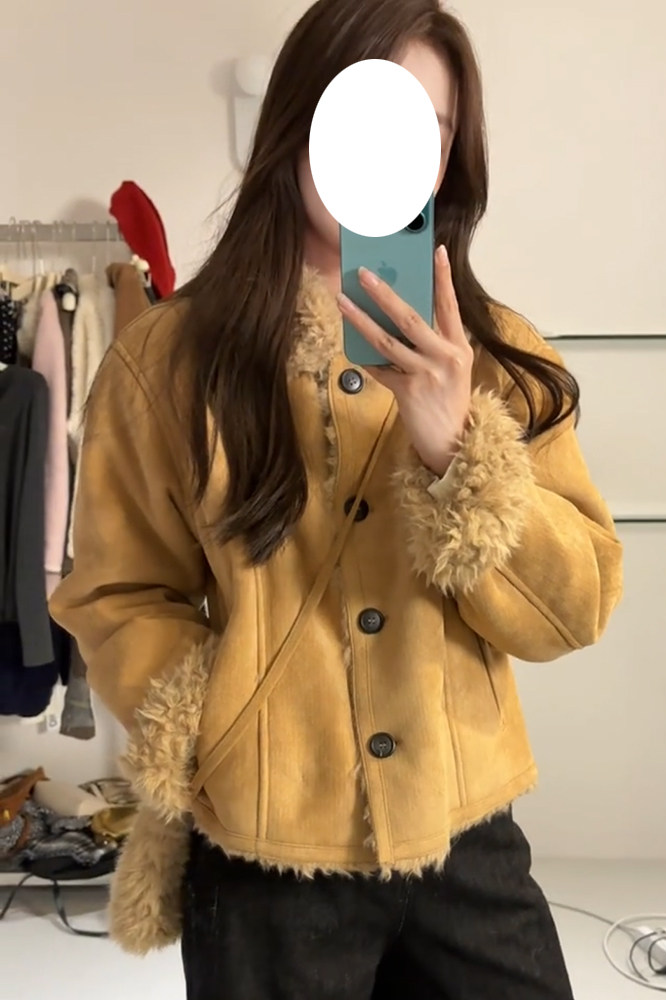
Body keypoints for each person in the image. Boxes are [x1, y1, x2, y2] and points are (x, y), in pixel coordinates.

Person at [50, 0, 623, 997]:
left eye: (425, 128)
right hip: (265, 854)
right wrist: (217, 726)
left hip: (465, 836)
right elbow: (115, 594)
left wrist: (458, 448)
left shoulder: (502, 357)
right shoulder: (167, 364)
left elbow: (575, 609)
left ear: (448, 160)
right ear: (299, 124)